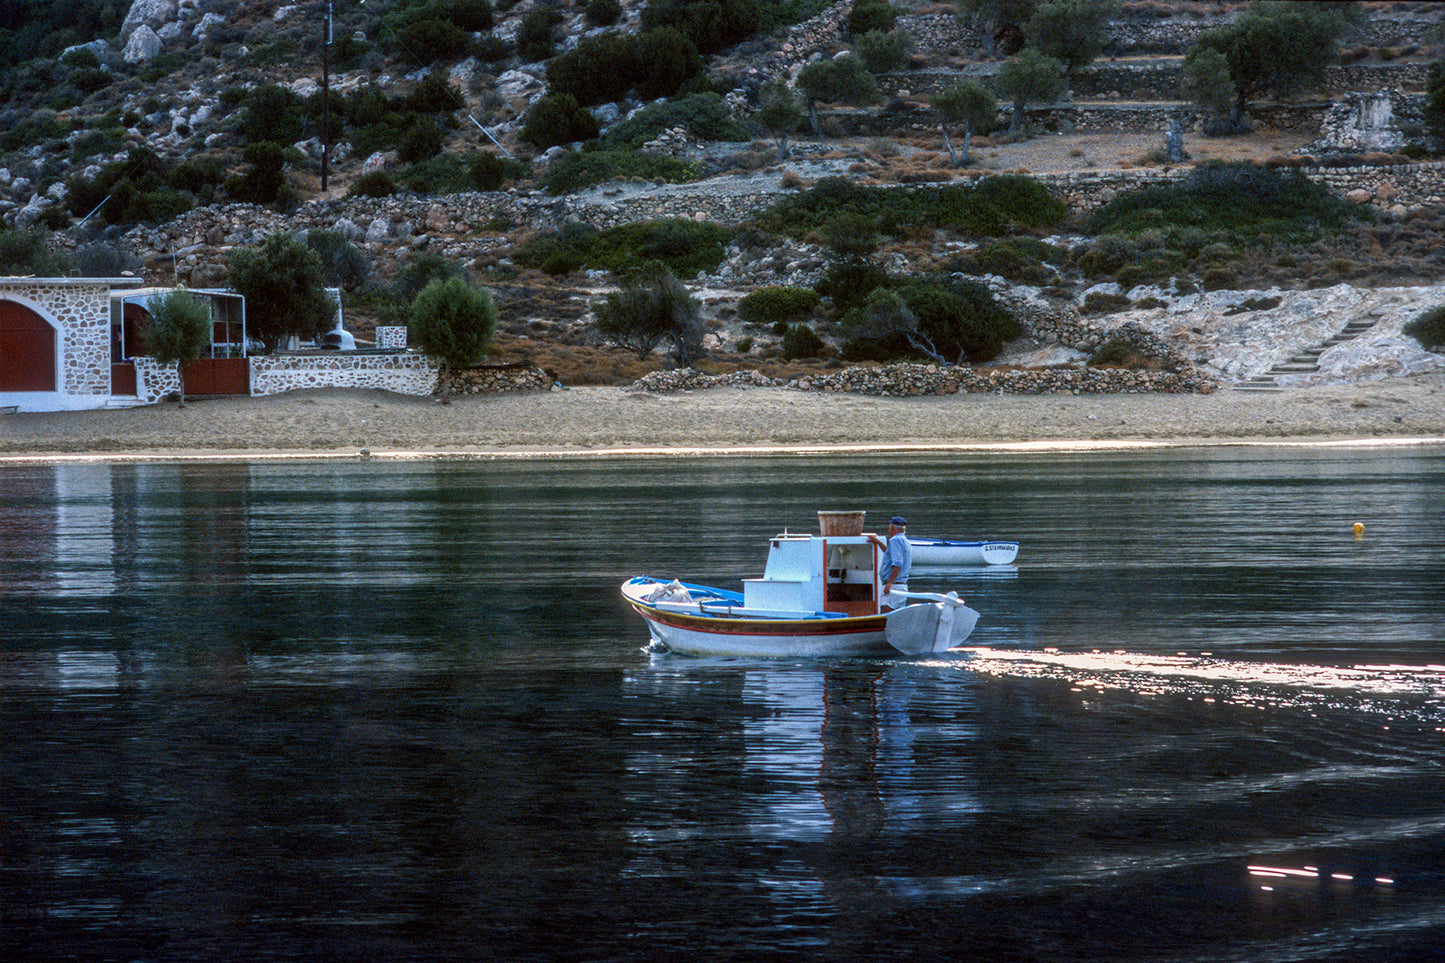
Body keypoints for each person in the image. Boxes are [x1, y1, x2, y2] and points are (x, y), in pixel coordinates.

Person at [869, 516, 912, 611]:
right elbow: (889, 554)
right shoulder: (905, 540)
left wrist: (889, 583)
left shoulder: (894, 540)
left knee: (886, 615)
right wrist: (878, 542)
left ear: (892, 527)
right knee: (898, 618)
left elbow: (897, 563)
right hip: (902, 585)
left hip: (894, 586)